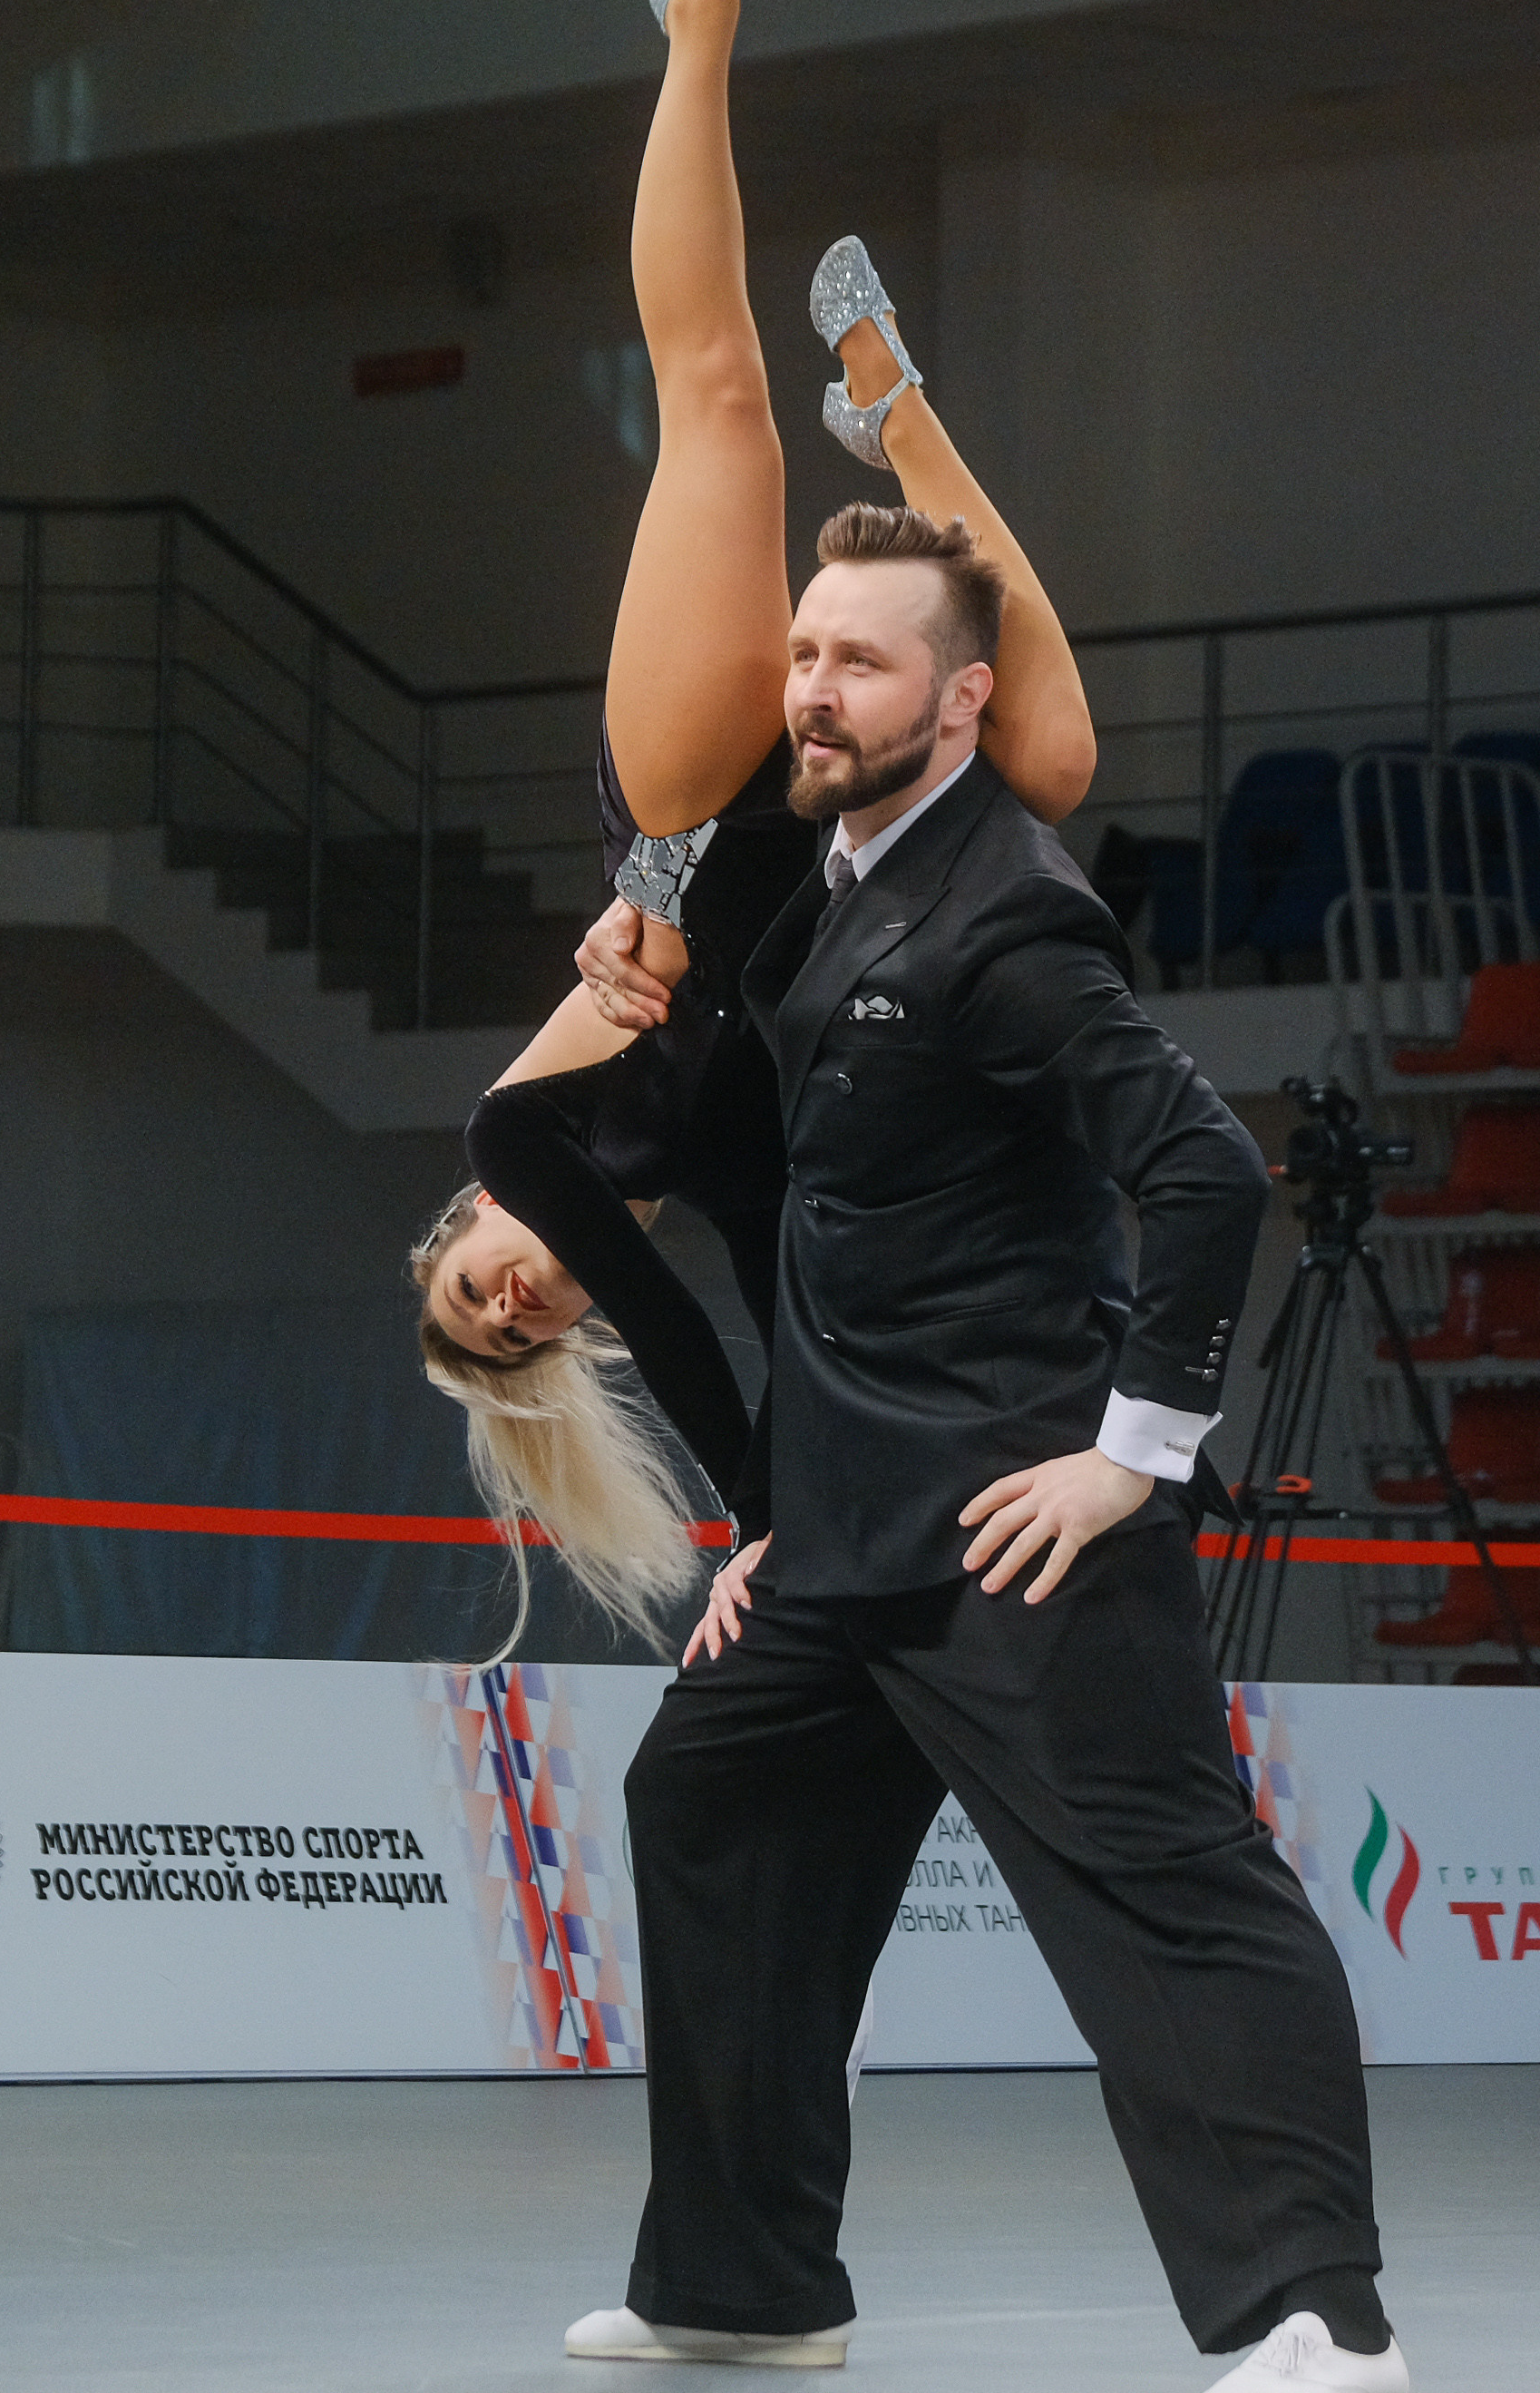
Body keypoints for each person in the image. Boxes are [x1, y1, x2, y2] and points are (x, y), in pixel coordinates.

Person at [562, 486, 1411, 2378]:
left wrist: (1133, 1455)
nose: (812, 688)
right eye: (805, 652)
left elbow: (1206, 1172)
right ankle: (743, 2287)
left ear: (961, 702)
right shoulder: (829, 875)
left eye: (861, 662)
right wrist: (776, 1514)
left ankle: (1317, 2322)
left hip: (1014, 1520)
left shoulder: (1006, 912)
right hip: (840, 1532)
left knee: (1166, 1892)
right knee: (707, 1801)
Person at [406, 0, 1096, 1659]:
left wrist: (645, 891)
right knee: (1053, 766)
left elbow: (637, 948)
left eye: (476, 1294)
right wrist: (775, 1531)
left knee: (718, 405)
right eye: (522, 1338)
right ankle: (911, 427)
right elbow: (768, 1346)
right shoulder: (720, 1191)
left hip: (696, 795)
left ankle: (694, 2)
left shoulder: (523, 1133)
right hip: (842, 832)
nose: (520, 1305)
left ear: (464, 1228)